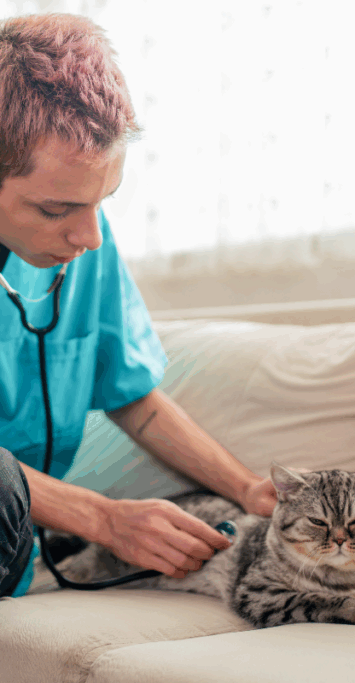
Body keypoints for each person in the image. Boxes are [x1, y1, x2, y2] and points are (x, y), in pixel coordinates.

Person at [0, 14, 278, 598]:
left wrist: (247, 487)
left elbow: (134, 398)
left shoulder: (82, 249)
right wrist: (103, 519)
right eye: (56, 210)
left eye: (103, 200)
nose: (90, 236)